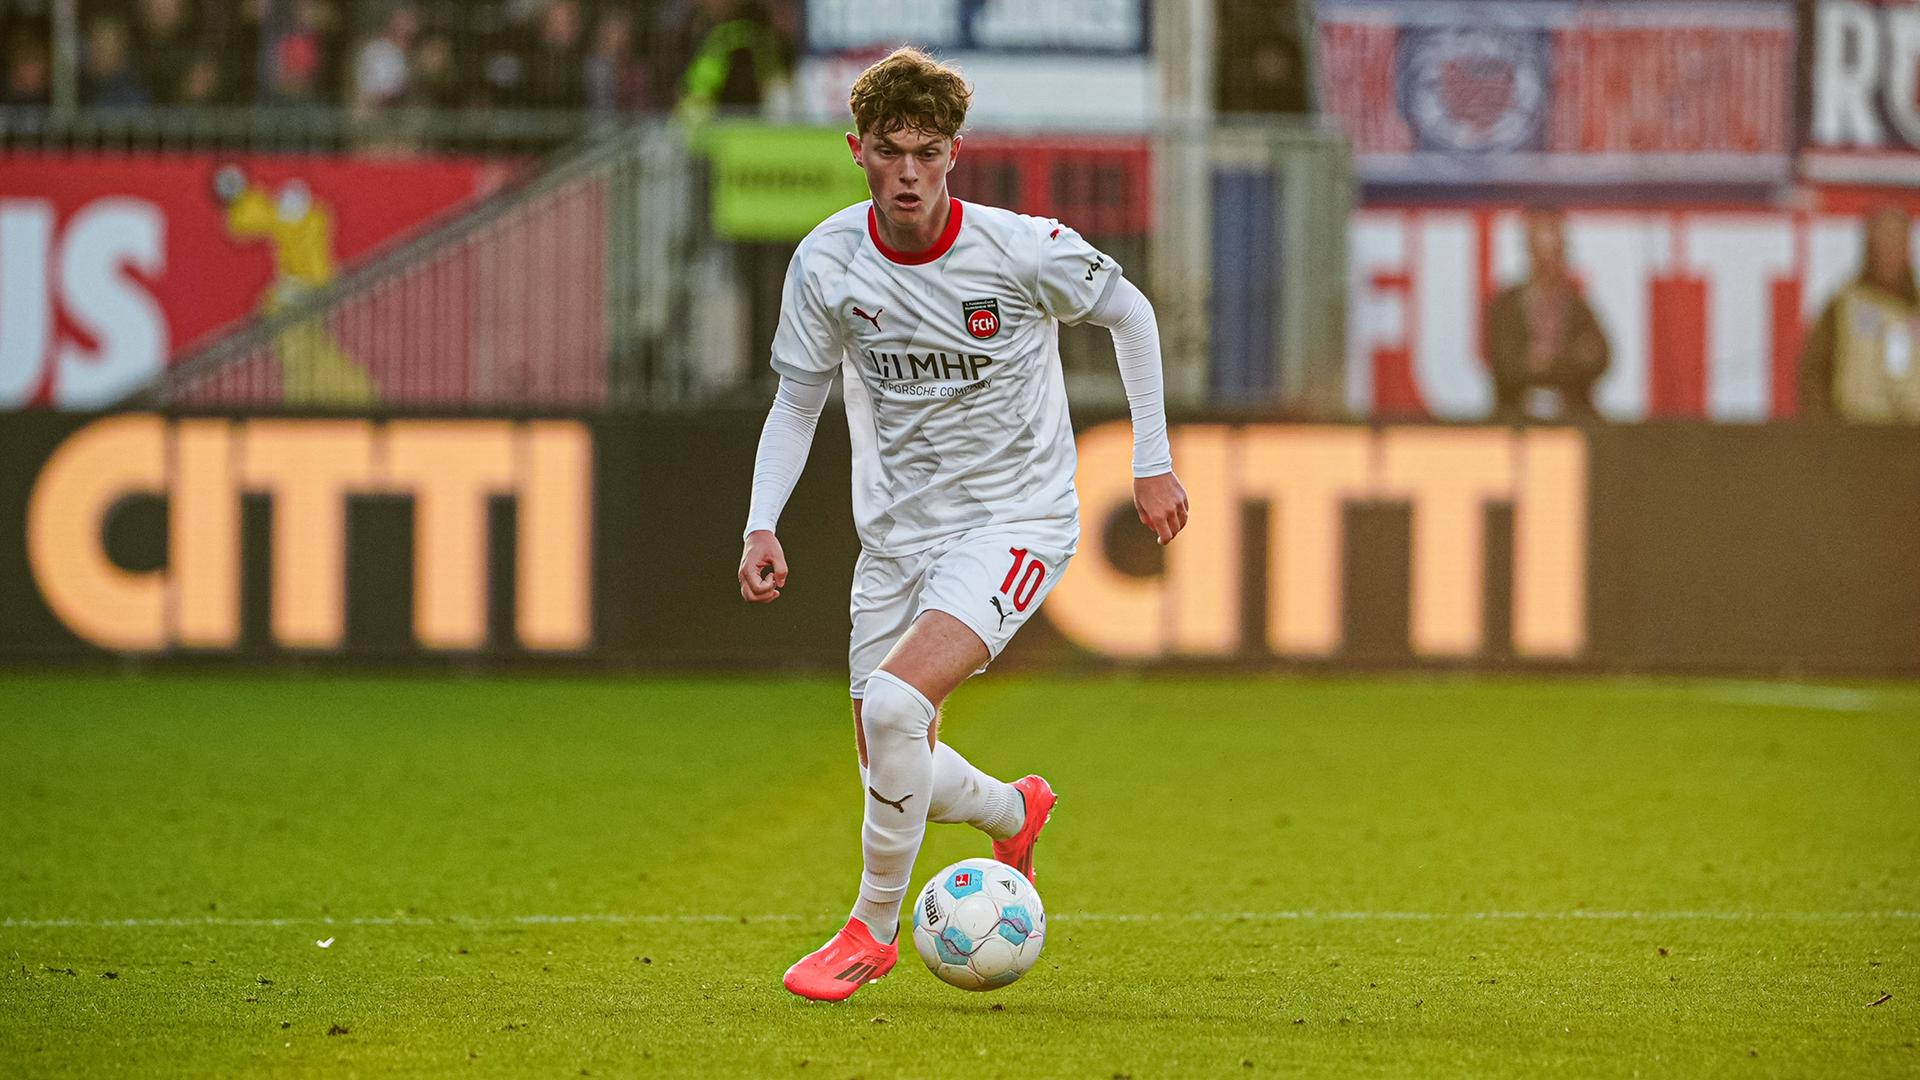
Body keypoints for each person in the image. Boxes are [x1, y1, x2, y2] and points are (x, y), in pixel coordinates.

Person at [736, 48, 1188, 1002]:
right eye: (890, 151)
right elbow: (796, 401)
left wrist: (1151, 460)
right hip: (894, 536)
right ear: (856, 151)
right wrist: (760, 523)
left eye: (928, 152)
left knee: (899, 712)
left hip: (1015, 519)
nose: (909, 172)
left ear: (954, 155)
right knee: (888, 758)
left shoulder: (1021, 249)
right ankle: (1014, 809)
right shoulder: (826, 262)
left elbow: (1132, 313)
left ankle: (869, 930)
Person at [1483, 210, 1611, 422]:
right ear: (1530, 249)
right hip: (1516, 417)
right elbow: (1506, 366)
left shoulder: (1577, 306)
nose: (1548, 259)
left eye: (1554, 249)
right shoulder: (1506, 307)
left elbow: (1600, 357)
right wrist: (1568, 361)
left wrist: (1546, 362)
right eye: (1541, 248)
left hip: (1572, 414)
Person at [1800, 207, 1920, 422]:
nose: (1888, 253)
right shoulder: (1844, 305)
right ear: (1869, 248)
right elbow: (1814, 374)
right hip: (1857, 433)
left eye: (1895, 244)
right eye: (1881, 245)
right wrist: (1824, 429)